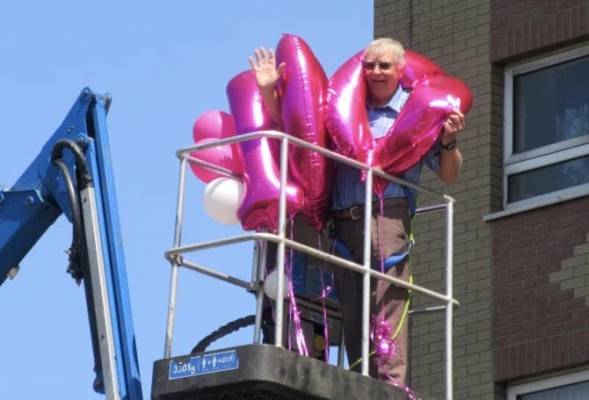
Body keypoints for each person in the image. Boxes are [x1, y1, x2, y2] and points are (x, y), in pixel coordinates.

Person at [249, 38, 465, 385]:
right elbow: (299, 133)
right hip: (343, 222)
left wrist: (449, 142)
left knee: (386, 300)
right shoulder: (343, 106)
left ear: (400, 69)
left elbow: (448, 174)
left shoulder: (414, 111)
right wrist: (269, 92)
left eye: (384, 65)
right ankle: (361, 384)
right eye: (370, 65)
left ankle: (390, 386)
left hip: (385, 216)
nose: (376, 72)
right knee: (352, 309)